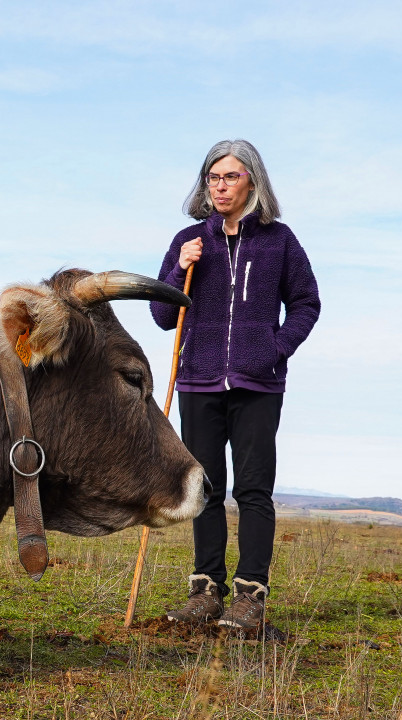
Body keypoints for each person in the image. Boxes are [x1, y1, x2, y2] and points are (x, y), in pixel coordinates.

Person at [150, 140, 320, 634]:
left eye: (231, 177)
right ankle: (205, 592)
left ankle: (250, 598)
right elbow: (163, 317)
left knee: (252, 490)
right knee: (204, 490)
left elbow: (307, 303)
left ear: (253, 182)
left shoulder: (279, 241)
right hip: (199, 381)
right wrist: (180, 266)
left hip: (257, 385)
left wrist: (274, 349)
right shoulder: (188, 240)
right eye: (213, 178)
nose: (220, 186)